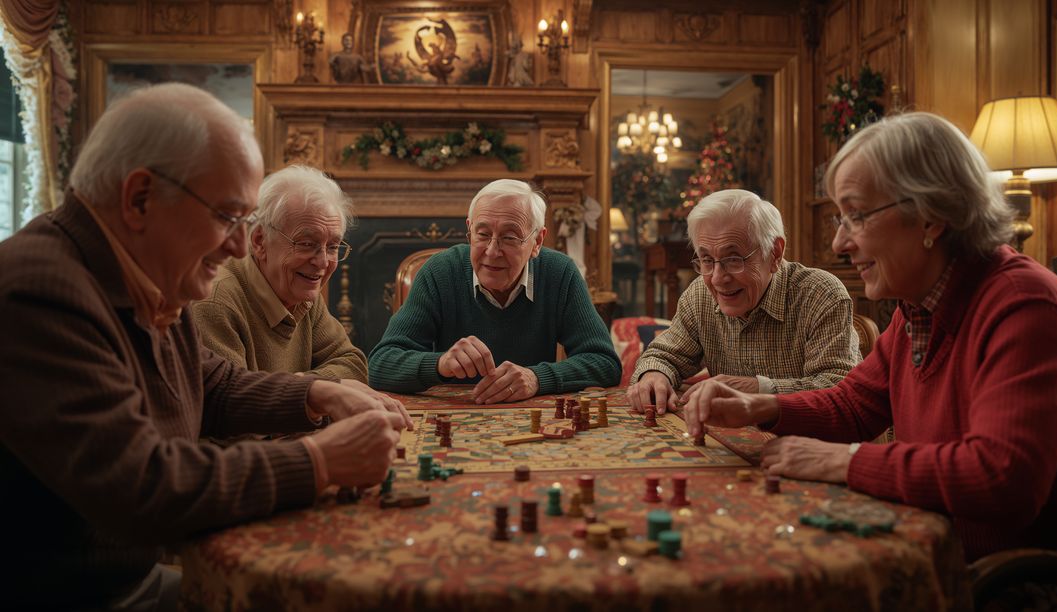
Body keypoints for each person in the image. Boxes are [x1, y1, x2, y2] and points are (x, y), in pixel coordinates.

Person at [0, 83, 407, 609]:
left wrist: (318, 395)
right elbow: (142, 489)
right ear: (140, 198)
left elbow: (213, 383)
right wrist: (318, 461)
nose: (241, 245)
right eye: (227, 217)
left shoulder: (144, 275)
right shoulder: (40, 290)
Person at [681, 112, 1057, 561]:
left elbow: (1002, 478)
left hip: (999, 583)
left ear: (930, 216)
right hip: (925, 550)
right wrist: (762, 406)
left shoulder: (1023, 304)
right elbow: (854, 405)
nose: (839, 243)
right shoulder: (918, 305)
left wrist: (843, 461)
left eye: (856, 216)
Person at [368, 179, 621, 402]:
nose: (492, 251)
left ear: (537, 242)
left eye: (509, 237)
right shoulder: (440, 272)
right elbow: (380, 365)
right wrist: (440, 363)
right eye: (482, 234)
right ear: (469, 232)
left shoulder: (560, 273)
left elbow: (604, 363)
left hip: (533, 423)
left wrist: (537, 378)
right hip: (452, 421)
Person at [192, 165, 404, 419]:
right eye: (306, 244)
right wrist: (314, 392)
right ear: (260, 241)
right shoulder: (216, 304)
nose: (323, 262)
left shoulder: (301, 291)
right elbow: (233, 415)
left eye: (333, 246)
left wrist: (308, 388)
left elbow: (353, 364)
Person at [627, 189, 861, 414]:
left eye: (734, 259)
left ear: (775, 254)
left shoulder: (820, 294)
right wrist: (655, 375)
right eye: (707, 260)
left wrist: (758, 389)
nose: (718, 278)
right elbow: (664, 355)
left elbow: (840, 390)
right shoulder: (700, 295)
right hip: (732, 446)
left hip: (815, 447)